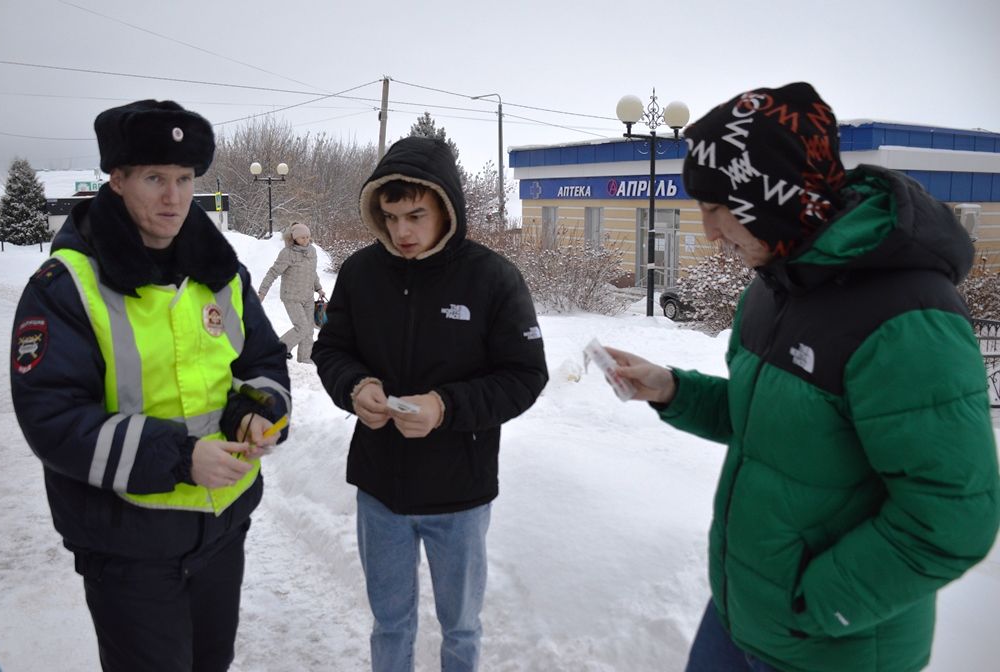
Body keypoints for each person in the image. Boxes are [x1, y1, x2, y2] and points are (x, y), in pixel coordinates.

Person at [605, 82, 1000, 672]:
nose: (709, 232)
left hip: (828, 644)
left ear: (774, 195)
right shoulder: (776, 288)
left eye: (718, 208)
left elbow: (952, 518)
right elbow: (767, 426)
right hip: (744, 613)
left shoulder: (908, 319)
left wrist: (811, 606)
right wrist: (672, 389)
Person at [9, 99, 292, 672]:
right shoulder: (66, 284)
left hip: (221, 530)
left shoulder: (222, 272)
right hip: (126, 545)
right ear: (117, 180)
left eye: (185, 179)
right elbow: (54, 417)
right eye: (154, 178)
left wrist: (254, 412)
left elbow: (263, 362)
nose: (173, 197)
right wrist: (183, 458)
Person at [314, 136, 548, 672]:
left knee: (461, 628)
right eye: (391, 216)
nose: (402, 231)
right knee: (390, 624)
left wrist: (446, 407)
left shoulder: (492, 278)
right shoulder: (360, 273)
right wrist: (355, 388)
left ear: (447, 207)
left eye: (416, 214)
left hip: (460, 495)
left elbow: (526, 375)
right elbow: (332, 350)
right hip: (380, 489)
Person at [257, 221, 326, 362]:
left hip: (308, 295)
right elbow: (273, 273)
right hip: (291, 297)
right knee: (302, 327)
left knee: (309, 331)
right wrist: (262, 292)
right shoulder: (287, 254)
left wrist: (318, 288)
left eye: (307, 237)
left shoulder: (312, 251)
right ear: (294, 238)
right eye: (302, 237)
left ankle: (305, 359)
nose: (306, 240)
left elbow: (312, 272)